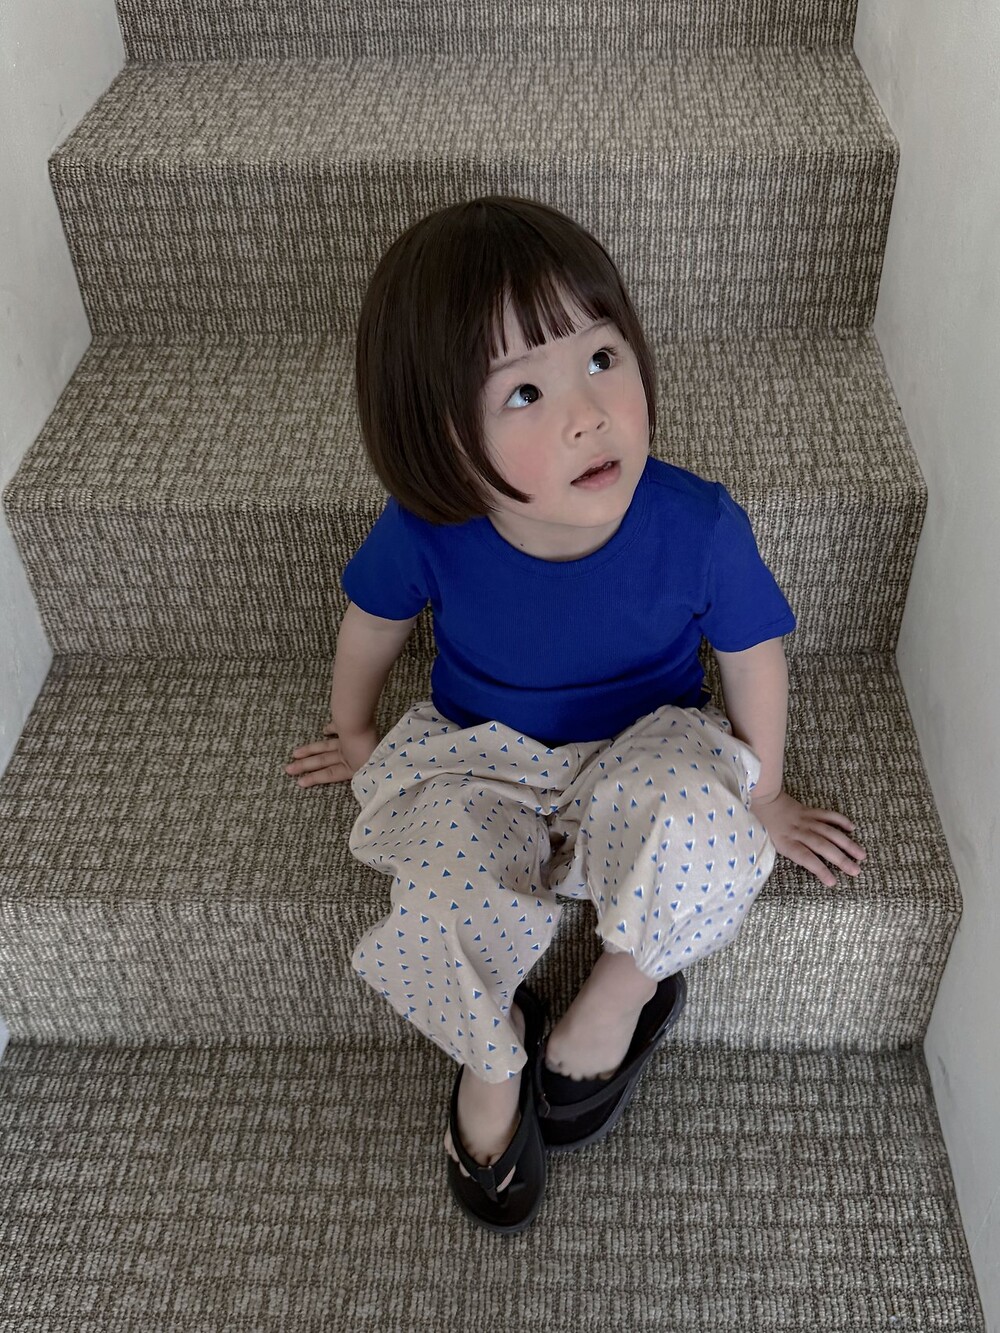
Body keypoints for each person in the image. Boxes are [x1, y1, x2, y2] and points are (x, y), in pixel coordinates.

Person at [284, 196, 866, 1234]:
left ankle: (620, 995)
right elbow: (372, 620)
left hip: (643, 749)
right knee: (438, 894)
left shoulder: (696, 522)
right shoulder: (430, 525)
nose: (587, 413)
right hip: (482, 758)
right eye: (524, 391)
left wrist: (765, 789)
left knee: (706, 823)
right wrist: (358, 730)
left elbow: (752, 655)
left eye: (602, 358)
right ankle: (490, 1051)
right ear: (439, 436)